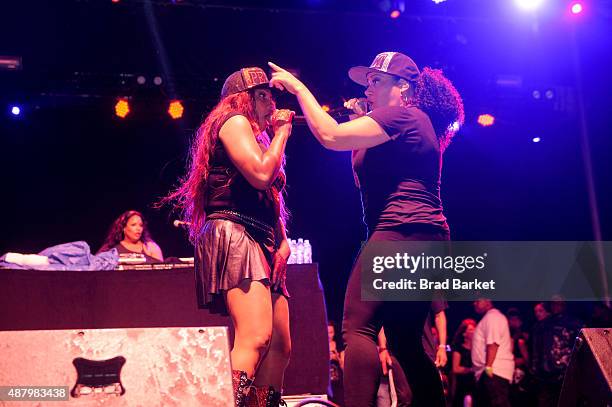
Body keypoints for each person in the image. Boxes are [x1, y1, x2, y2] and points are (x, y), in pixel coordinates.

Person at [268, 51, 464, 406]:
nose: (368, 88)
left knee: (358, 327)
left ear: (402, 86)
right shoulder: (411, 121)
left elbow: (329, 135)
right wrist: (365, 119)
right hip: (428, 237)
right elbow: (363, 176)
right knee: (404, 339)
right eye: (367, 82)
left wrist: (299, 89)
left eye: (376, 81)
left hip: (400, 232)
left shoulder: (403, 115)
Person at [163, 67, 294, 407]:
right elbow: (262, 174)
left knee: (280, 345)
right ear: (242, 99)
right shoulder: (234, 121)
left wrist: (282, 239)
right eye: (262, 96)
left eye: (272, 95)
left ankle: (262, 405)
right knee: (255, 335)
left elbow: (268, 199)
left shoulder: (257, 135)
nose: (271, 103)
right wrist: (282, 133)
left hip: (262, 238)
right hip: (236, 233)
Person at [471, 299, 514, 407]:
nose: (474, 303)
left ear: (488, 300)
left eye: (477, 301)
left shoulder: (493, 317)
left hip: (494, 371)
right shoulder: (489, 318)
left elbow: (493, 343)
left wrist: (489, 367)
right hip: (490, 372)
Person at [98, 210, 163, 262]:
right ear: (123, 228)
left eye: (141, 225)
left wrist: (148, 258)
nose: (138, 228)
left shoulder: (151, 247)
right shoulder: (111, 249)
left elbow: (162, 273)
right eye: (133, 225)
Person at [451, 319, 477, 407]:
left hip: (475, 385)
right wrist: (471, 369)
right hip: (463, 385)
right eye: (471, 330)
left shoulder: (478, 349)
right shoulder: (459, 349)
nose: (474, 331)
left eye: (475, 329)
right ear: (464, 334)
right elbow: (455, 368)